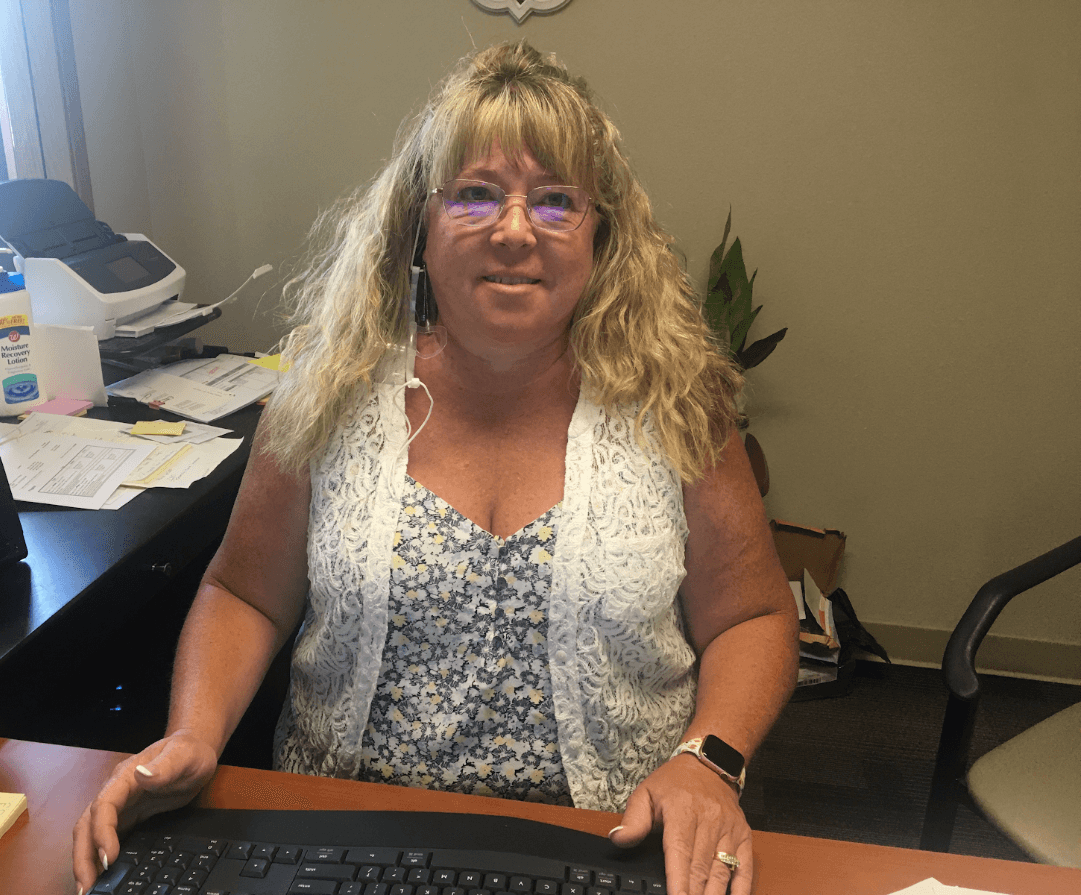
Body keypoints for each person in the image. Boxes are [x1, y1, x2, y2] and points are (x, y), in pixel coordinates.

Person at [73, 41, 798, 895]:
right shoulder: (326, 398)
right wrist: (191, 732)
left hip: (609, 844)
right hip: (336, 843)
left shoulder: (676, 407)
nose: (516, 229)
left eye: (557, 201)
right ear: (420, 221)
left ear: (602, 234)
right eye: (477, 194)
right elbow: (242, 592)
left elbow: (751, 615)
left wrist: (707, 760)